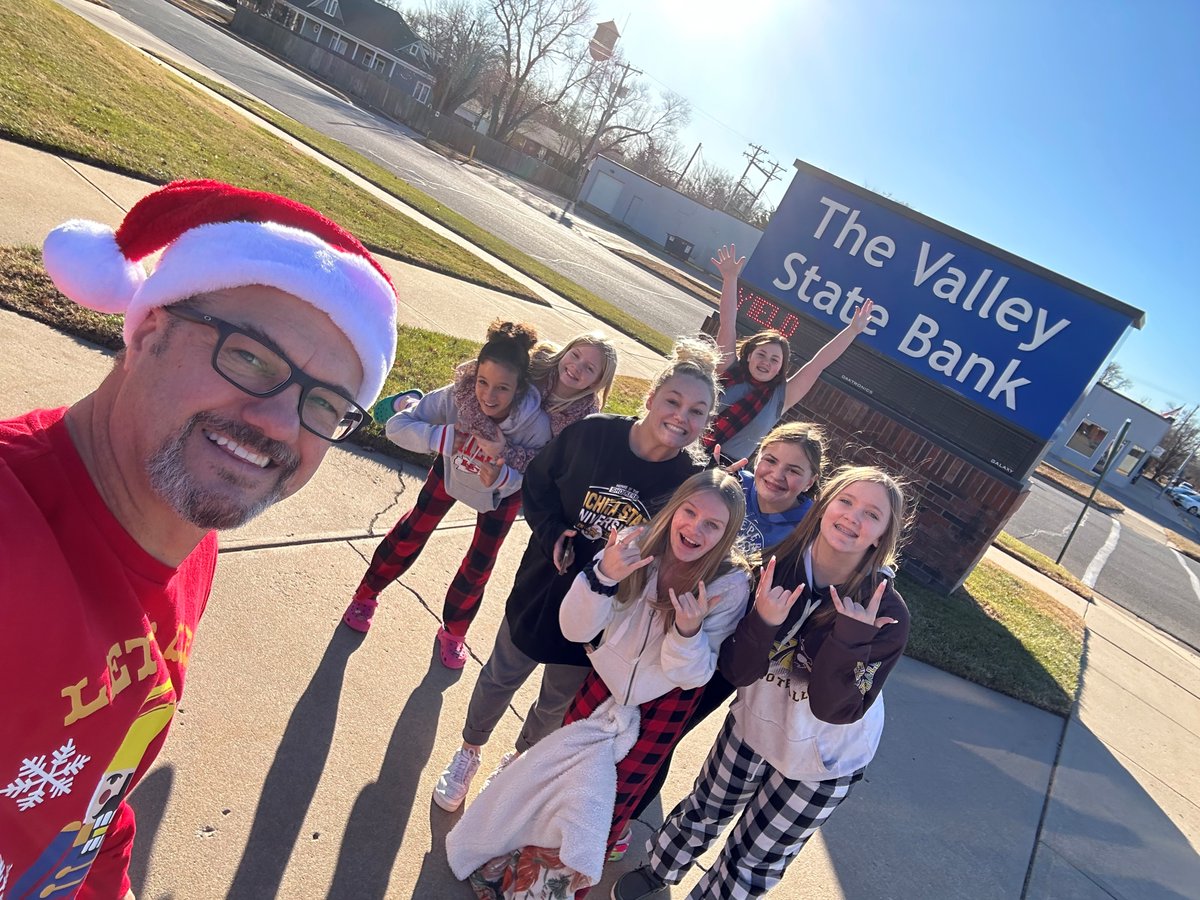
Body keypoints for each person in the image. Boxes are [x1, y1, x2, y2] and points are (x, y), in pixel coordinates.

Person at [0, 180, 398, 899]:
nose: (280, 421)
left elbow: (96, 795)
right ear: (149, 328)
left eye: (324, 404)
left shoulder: (189, 542)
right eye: (250, 357)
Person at [431, 339, 723, 813]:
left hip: (605, 613)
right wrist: (551, 535)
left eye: (697, 411)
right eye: (673, 401)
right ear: (650, 398)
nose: (681, 417)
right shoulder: (593, 434)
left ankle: (518, 764)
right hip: (543, 588)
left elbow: (701, 536)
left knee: (555, 702)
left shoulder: (691, 478)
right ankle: (468, 750)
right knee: (500, 677)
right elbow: (539, 486)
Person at [612, 465, 911, 900]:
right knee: (705, 807)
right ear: (825, 504)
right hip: (754, 723)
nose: (852, 517)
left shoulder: (887, 614)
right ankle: (660, 867)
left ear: (882, 535)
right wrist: (763, 622)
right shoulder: (777, 566)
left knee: (756, 854)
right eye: (846, 501)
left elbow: (835, 709)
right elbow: (735, 671)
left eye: (871, 514)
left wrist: (850, 639)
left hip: (822, 759)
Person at [617, 421, 827, 858]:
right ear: (758, 455)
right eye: (771, 460)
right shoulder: (729, 489)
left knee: (666, 728)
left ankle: (628, 807)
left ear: (810, 481)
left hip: (728, 652)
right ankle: (606, 787)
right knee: (628, 708)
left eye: (794, 470)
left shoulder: (810, 531)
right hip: (668, 625)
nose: (777, 474)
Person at [560, 470, 753, 865]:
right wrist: (603, 576)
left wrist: (687, 631)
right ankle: (527, 864)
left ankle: (570, 879)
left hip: (660, 707)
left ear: (727, 533)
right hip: (602, 686)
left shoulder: (729, 584)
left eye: (713, 524)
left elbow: (693, 676)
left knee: (609, 806)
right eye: (690, 511)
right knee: (560, 781)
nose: (695, 528)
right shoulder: (632, 543)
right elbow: (573, 628)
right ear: (674, 507)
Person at [341, 320, 552, 669]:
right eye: (483, 382)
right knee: (412, 531)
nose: (489, 396)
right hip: (452, 470)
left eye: (502, 388)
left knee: (480, 564)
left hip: (498, 493)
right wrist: (442, 439)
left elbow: (536, 479)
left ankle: (454, 632)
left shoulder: (534, 424)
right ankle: (366, 595)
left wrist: (504, 476)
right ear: (475, 375)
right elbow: (397, 428)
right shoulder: (458, 396)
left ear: (520, 388)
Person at [706, 244, 872, 463]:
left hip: (722, 470)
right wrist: (730, 278)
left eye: (775, 359)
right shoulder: (727, 369)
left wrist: (851, 331)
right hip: (686, 444)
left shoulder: (781, 397)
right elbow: (728, 323)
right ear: (749, 356)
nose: (766, 362)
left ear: (781, 367)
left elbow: (818, 363)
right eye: (762, 354)